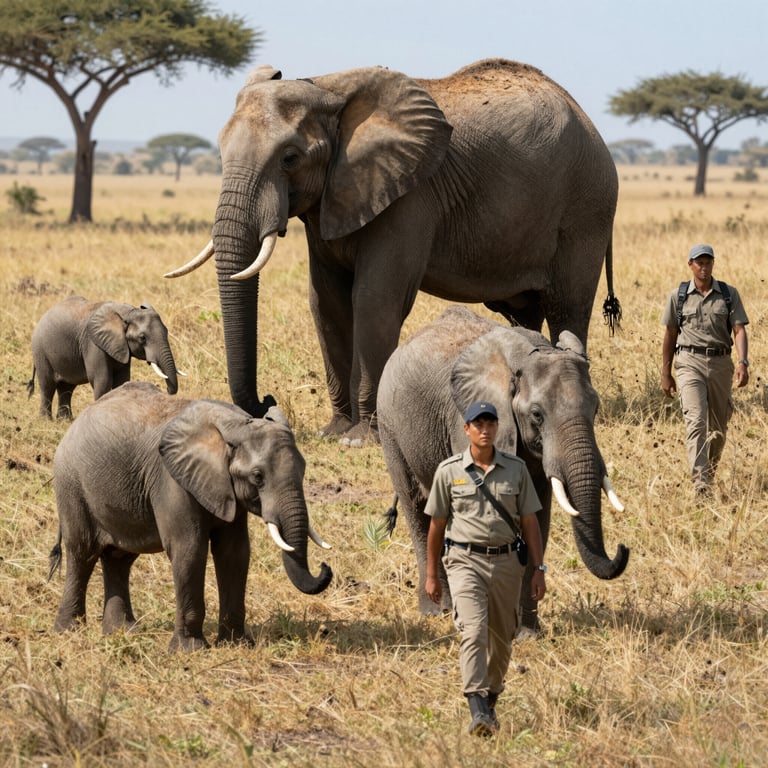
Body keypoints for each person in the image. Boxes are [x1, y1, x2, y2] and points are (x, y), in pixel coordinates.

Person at [424, 401, 546, 737]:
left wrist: (539, 569)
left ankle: (490, 698)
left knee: (503, 637)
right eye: (477, 423)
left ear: (497, 428)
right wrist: (432, 574)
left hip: (508, 562)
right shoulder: (449, 471)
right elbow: (436, 524)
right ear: (466, 429)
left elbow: (530, 521)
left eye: (490, 423)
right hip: (464, 561)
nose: (484, 429)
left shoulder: (516, 469)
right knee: (473, 631)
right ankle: (477, 708)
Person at [661, 243, 749, 497]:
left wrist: (743, 362)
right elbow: (669, 335)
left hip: (722, 363)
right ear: (690, 265)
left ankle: (708, 473)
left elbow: (739, 330)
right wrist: (666, 373)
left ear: (713, 263)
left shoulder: (728, 294)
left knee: (719, 429)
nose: (704, 267)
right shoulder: (678, 296)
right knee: (697, 422)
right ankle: (701, 485)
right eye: (699, 262)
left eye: (708, 262)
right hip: (689, 363)